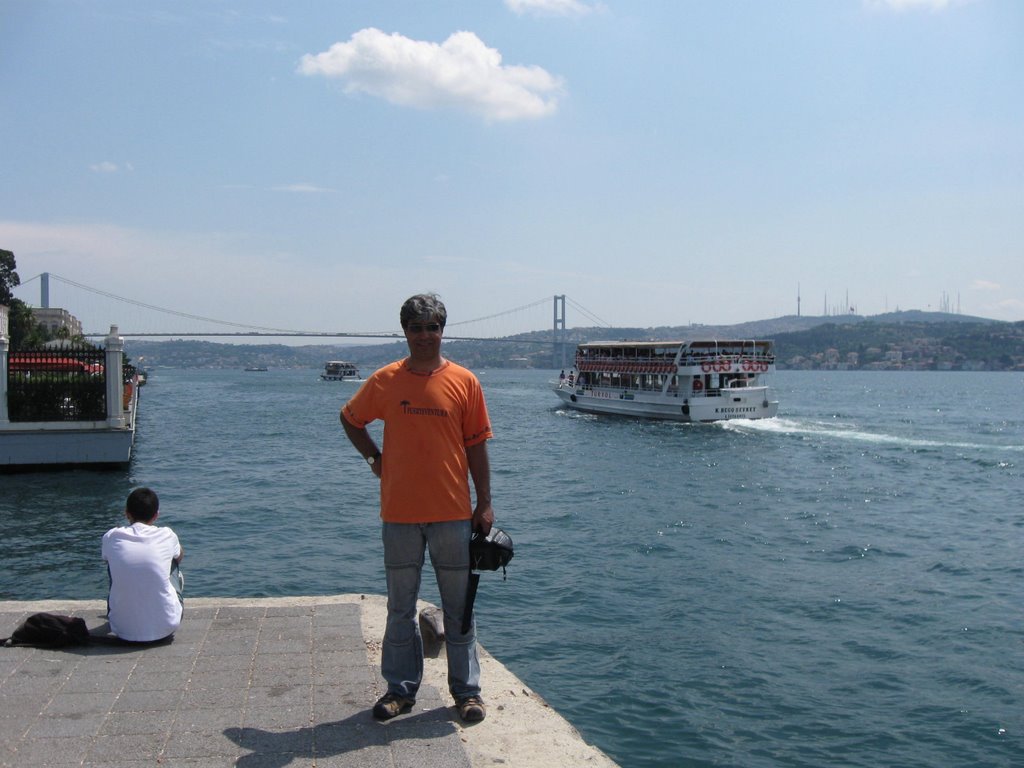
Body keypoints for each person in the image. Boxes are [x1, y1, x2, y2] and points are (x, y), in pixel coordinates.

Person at [340, 293, 495, 724]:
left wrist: (484, 501)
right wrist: (376, 460)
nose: (425, 335)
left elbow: (477, 445)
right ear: (405, 332)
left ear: (443, 330)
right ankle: (400, 692)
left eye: (432, 327)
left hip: (452, 512)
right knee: (400, 609)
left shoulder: (465, 381)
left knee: (459, 609)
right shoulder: (385, 380)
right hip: (399, 514)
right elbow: (350, 419)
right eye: (416, 327)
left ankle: (467, 693)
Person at [101, 487, 184, 643]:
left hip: (120, 628)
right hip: (166, 625)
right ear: (156, 515)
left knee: (113, 563)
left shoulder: (111, 536)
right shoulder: (166, 534)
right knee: (172, 560)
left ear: (127, 513)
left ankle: (126, 606)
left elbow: (106, 559)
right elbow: (180, 556)